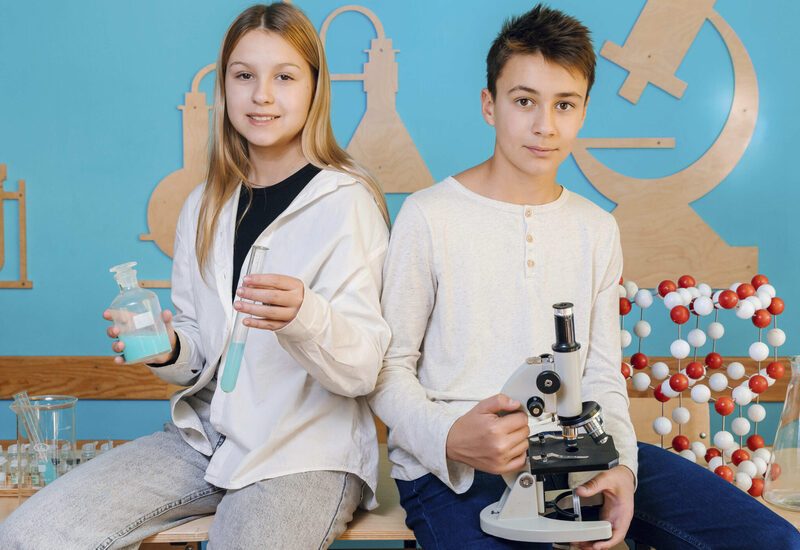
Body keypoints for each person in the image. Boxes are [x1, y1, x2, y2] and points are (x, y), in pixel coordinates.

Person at [369, 4, 800, 550]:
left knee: (770, 540)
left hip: (578, 450)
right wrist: (450, 436)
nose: (544, 125)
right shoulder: (429, 216)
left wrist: (622, 469)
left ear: (583, 111)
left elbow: (599, 372)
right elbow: (388, 369)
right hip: (453, 466)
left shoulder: (595, 228)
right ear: (489, 105)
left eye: (564, 104)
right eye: (524, 101)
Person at [0, 4, 390, 548]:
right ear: (224, 87)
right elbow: (205, 352)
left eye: (284, 77)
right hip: (204, 441)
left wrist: (305, 316)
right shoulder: (204, 205)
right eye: (244, 75)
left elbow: (363, 369)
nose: (262, 95)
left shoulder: (347, 203)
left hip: (304, 454)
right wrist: (169, 350)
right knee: (29, 534)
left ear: (315, 89)